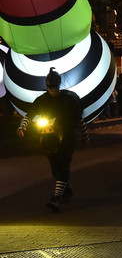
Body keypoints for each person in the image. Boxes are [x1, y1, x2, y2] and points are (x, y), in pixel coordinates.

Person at [17, 67, 89, 212]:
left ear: (58, 83)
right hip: (48, 136)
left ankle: (56, 198)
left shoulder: (69, 100)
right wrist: (22, 127)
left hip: (67, 136)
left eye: (53, 84)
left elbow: (78, 119)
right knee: (55, 169)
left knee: (63, 165)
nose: (51, 87)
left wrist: (84, 135)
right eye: (49, 84)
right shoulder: (41, 100)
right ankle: (65, 189)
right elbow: (29, 115)